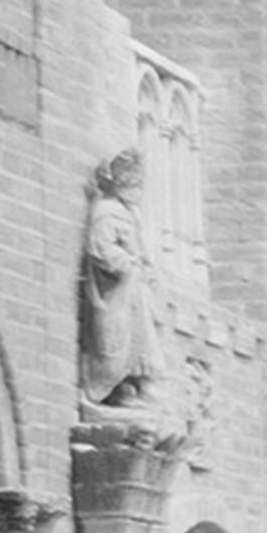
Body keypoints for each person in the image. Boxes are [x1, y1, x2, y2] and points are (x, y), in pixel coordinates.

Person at [79, 151, 168, 410]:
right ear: (123, 184)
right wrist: (128, 263)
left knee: (140, 341)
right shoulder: (106, 211)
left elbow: (140, 248)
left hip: (134, 292)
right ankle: (106, 391)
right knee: (116, 343)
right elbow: (100, 248)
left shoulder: (130, 213)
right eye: (136, 185)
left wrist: (145, 267)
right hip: (115, 292)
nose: (140, 192)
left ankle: (130, 388)